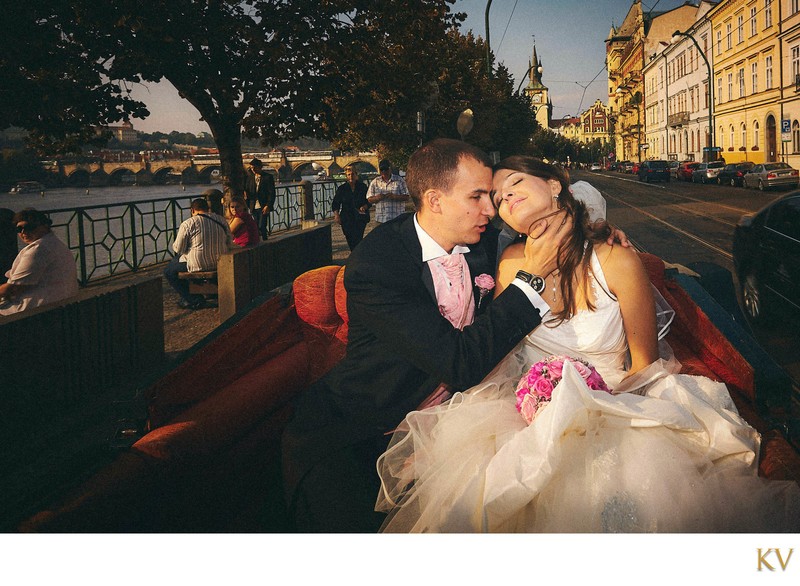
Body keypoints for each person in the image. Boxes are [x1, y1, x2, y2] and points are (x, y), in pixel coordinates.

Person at [375, 156, 800, 533]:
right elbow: (499, 347)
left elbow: (645, 365)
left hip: (618, 401)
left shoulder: (615, 258)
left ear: (555, 185)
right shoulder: (505, 260)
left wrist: (595, 408)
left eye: (514, 185)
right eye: (498, 198)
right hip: (525, 411)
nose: (502, 201)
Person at [281, 139, 589, 533]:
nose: (491, 210)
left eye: (490, 196)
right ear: (435, 200)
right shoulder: (378, 263)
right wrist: (531, 281)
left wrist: (597, 233)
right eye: (477, 196)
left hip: (450, 425)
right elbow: (459, 363)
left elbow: (549, 218)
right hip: (359, 430)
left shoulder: (484, 240)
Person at [0, 208, 78, 316]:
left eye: (29, 227)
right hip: (62, 303)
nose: (23, 232)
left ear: (45, 226)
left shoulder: (39, 250)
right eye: (19, 229)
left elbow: (13, 288)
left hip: (38, 311)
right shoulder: (53, 243)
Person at [164, 198, 232, 310]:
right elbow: (229, 241)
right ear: (208, 208)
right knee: (176, 261)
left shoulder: (188, 224)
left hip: (198, 265)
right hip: (221, 262)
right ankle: (198, 291)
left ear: (192, 210)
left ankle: (193, 299)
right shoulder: (221, 220)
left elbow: (178, 248)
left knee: (169, 271)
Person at [331, 166, 370, 250]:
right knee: (350, 239)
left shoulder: (362, 187)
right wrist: (336, 215)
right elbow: (335, 203)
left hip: (360, 217)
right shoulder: (342, 189)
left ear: (356, 175)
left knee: (358, 239)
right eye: (348, 175)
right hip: (347, 218)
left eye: (352, 174)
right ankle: (355, 255)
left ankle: (357, 257)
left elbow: (369, 201)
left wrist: (364, 206)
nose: (351, 176)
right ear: (346, 176)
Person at [366, 159, 409, 223]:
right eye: (381, 169)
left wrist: (395, 197)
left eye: (386, 169)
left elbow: (406, 197)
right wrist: (377, 198)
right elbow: (369, 199)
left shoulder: (399, 180)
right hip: (381, 219)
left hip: (397, 218)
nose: (384, 171)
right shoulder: (375, 182)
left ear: (390, 168)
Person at [243, 158, 277, 240]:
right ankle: (258, 241)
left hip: (263, 205)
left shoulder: (268, 177)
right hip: (253, 205)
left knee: (262, 225)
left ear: (260, 167)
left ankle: (264, 240)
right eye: (251, 168)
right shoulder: (250, 178)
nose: (253, 169)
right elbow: (246, 189)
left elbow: (271, 193)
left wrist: (268, 205)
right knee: (255, 226)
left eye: (255, 167)